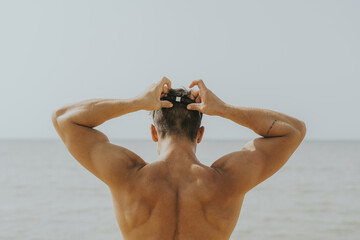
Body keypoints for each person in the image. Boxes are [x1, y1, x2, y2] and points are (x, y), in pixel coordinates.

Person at [52, 77, 306, 240]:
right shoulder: (228, 180)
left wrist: (135, 103)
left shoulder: (127, 175)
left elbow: (65, 119)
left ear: (153, 132)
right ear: (200, 134)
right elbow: (293, 131)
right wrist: (224, 110)